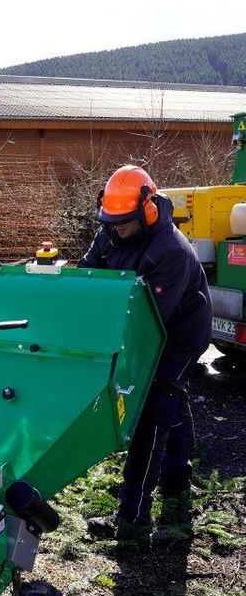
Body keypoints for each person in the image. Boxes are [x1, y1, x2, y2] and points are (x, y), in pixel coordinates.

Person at [79, 165, 212, 541]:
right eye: (110, 221)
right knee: (173, 399)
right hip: (146, 325)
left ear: (148, 211)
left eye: (123, 222)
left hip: (179, 335)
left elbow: (146, 323)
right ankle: (177, 478)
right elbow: (88, 275)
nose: (115, 229)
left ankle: (133, 519)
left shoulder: (170, 251)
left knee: (153, 408)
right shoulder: (110, 233)